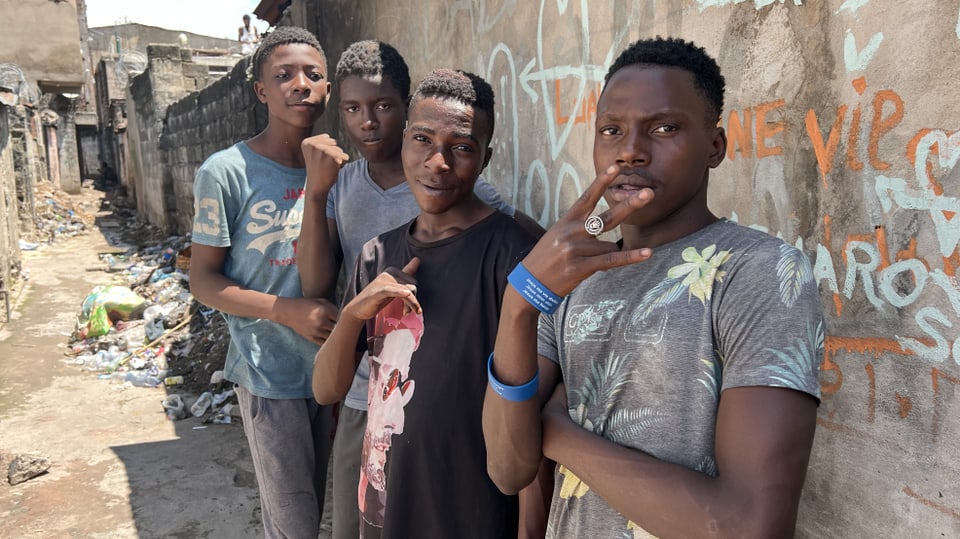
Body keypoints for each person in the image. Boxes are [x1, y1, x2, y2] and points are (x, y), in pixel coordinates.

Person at [482, 36, 823, 538]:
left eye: (664, 128)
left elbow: (750, 525)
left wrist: (557, 434)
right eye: (611, 130)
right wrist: (519, 303)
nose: (630, 152)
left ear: (715, 146)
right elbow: (508, 470)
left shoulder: (760, 272)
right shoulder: (573, 278)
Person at [295, 40, 542, 539]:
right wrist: (353, 316)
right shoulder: (377, 255)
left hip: (473, 502)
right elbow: (326, 388)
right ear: (404, 139)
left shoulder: (511, 255)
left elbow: (533, 410)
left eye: (462, 148)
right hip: (387, 497)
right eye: (423, 140)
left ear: (485, 157)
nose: (438, 162)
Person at [189, 26, 337, 538]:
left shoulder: (340, 170)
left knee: (325, 510)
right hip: (269, 370)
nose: (301, 85)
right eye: (284, 76)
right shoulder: (226, 172)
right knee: (294, 524)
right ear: (261, 91)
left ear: (327, 89)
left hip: (336, 371)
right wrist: (284, 309)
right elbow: (204, 281)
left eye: (313, 75)